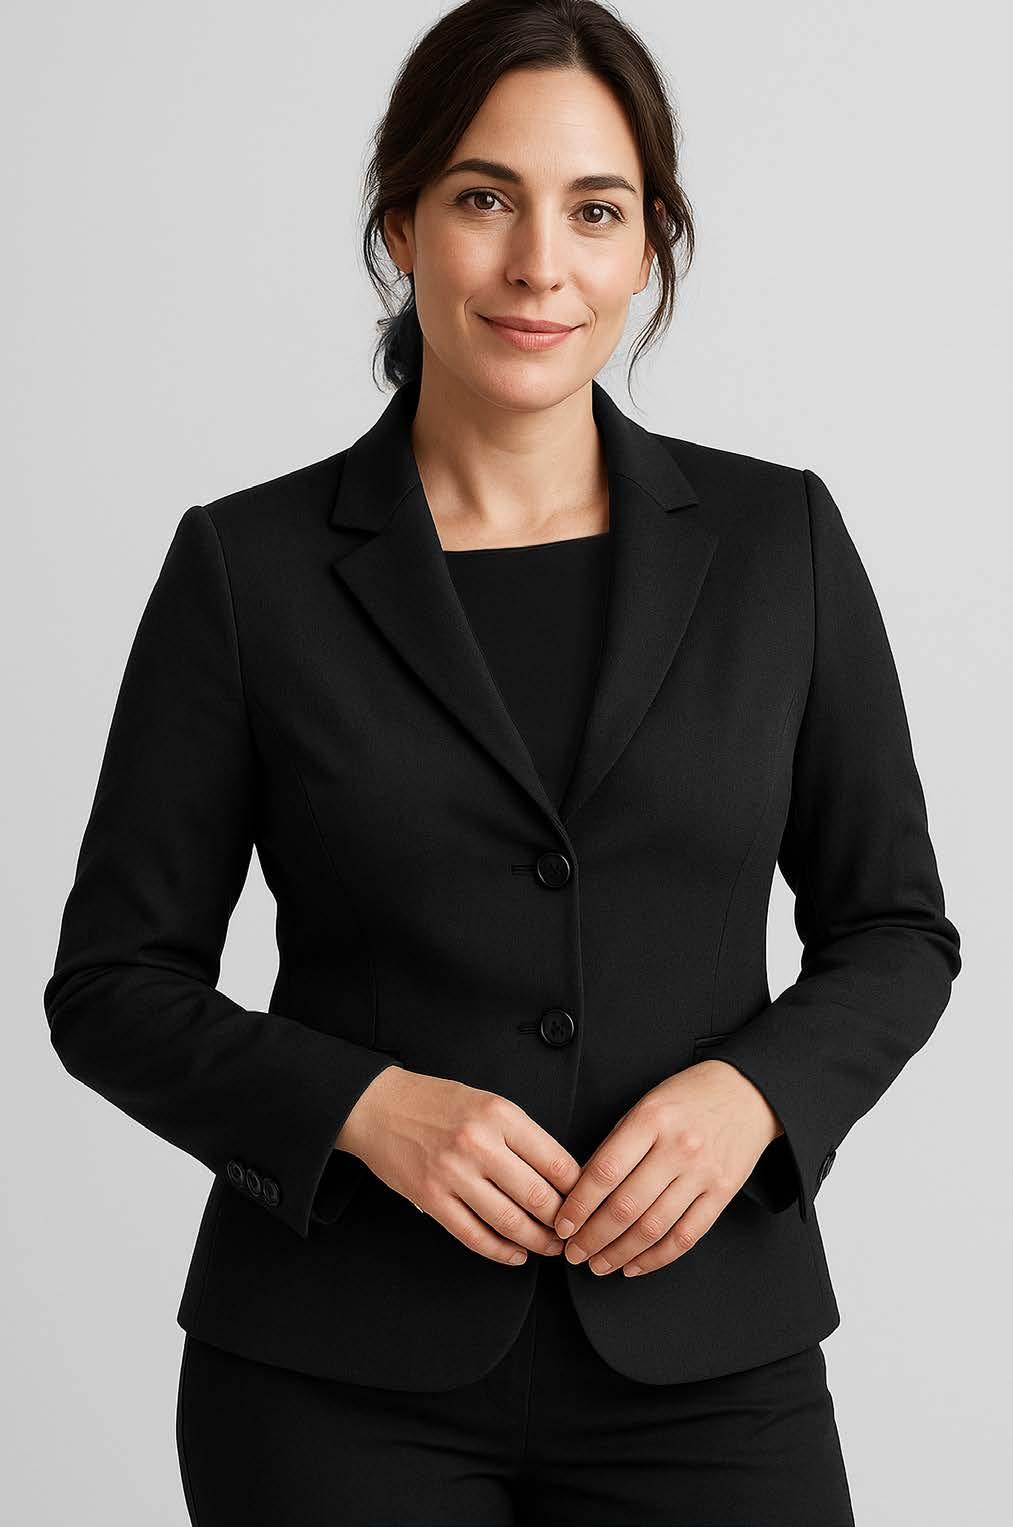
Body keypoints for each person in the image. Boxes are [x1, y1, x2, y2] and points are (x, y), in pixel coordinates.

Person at [43, 2, 961, 1523]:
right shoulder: (246, 571)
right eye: (485, 198)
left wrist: (753, 1096)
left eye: (596, 211)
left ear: (648, 247)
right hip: (331, 1375)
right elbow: (112, 986)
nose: (541, 264)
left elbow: (895, 928)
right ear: (401, 226)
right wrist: (362, 1108)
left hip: (710, 1358)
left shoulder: (777, 543)